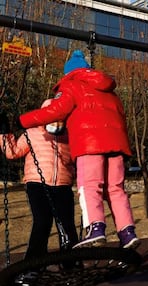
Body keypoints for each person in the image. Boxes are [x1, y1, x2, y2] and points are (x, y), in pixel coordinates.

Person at [16, 50, 140, 249]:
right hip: (117, 145)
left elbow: (55, 110)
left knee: (89, 185)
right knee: (115, 189)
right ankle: (127, 232)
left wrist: (22, 120)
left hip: (90, 144)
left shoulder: (70, 85)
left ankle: (96, 227)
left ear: (69, 73)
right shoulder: (110, 91)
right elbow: (120, 116)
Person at [0, 99, 78, 260]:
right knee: (42, 221)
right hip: (37, 184)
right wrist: (3, 132)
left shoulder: (69, 135)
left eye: (60, 117)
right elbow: (12, 152)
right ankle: (33, 263)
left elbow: (78, 159)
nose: (56, 121)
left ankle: (70, 263)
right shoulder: (32, 133)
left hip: (63, 184)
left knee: (67, 225)